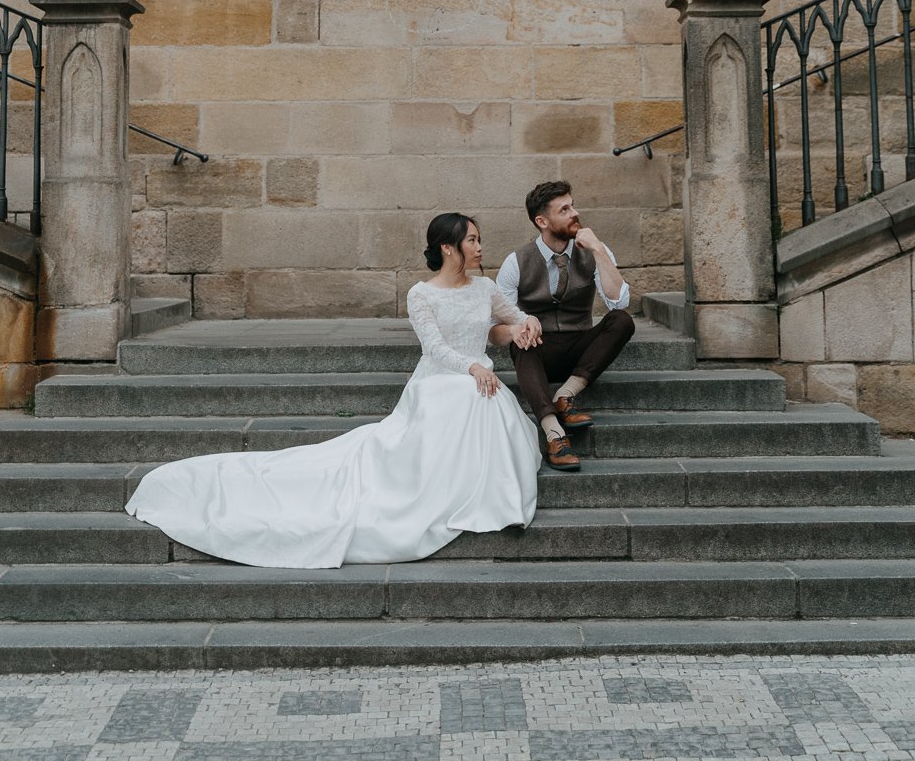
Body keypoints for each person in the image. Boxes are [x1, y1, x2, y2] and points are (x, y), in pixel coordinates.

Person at [125, 213, 543, 567]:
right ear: (449, 248)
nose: (480, 246)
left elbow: (514, 317)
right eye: (472, 240)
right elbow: (433, 348)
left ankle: (479, 490)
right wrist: (472, 367)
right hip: (440, 381)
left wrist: (528, 324)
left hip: (476, 381)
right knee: (463, 397)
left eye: (479, 239)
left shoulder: (485, 289)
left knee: (483, 401)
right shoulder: (421, 294)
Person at [492, 179, 635, 472]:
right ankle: (553, 433)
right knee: (521, 339)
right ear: (542, 221)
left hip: (579, 347)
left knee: (622, 321)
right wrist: (519, 329)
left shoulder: (594, 250)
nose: (574, 213)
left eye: (573, 205)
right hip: (539, 351)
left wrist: (598, 249)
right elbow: (499, 323)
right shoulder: (515, 262)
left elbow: (618, 302)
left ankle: (564, 395)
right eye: (565, 209)